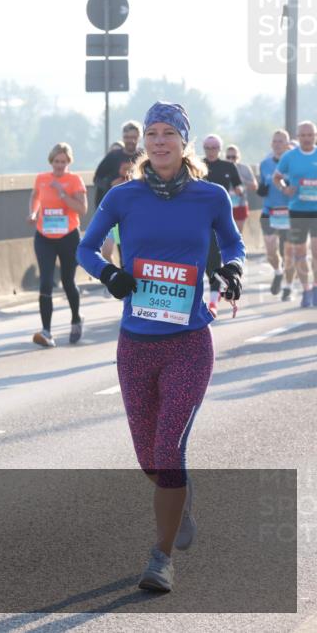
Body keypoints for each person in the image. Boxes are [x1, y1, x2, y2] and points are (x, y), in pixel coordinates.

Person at [78, 102, 245, 594]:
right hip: (137, 346)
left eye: (168, 133)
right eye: (151, 133)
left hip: (190, 342)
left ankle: (161, 557)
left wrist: (232, 272)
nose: (158, 141)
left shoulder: (210, 195)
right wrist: (111, 274)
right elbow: (86, 248)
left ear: (184, 141)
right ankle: (182, 496)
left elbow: (234, 245)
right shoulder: (123, 196)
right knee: (151, 461)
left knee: (169, 450)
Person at [28, 142, 88, 347]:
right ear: (51, 161)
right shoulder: (42, 179)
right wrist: (33, 213)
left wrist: (63, 193)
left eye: (63, 162)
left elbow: (82, 209)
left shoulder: (74, 180)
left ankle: (76, 319)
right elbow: (35, 196)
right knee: (45, 281)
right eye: (56, 162)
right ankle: (46, 331)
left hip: (68, 236)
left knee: (67, 281)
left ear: (68, 162)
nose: (59, 166)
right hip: (44, 236)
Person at [274, 120, 317, 307]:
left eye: (310, 135)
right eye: (303, 135)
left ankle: (315, 288)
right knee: (300, 252)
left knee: (316, 251)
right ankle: (306, 290)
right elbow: (277, 178)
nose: (307, 139)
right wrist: (284, 188)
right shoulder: (290, 157)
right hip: (297, 210)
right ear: (298, 137)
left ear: (315, 136)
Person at [201, 134, 244, 316]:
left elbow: (238, 186)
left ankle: (212, 302)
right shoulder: (197, 165)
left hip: (219, 219)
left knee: (214, 261)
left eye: (214, 148)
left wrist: (238, 192)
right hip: (199, 218)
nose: (211, 151)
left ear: (220, 149)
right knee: (198, 260)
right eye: (208, 148)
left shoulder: (228, 166)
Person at [94, 121, 143, 265]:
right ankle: (116, 277)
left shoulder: (144, 157)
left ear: (139, 137)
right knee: (106, 251)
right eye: (127, 137)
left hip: (135, 212)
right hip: (114, 212)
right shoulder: (113, 156)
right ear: (123, 137)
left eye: (133, 137)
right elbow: (97, 178)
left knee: (128, 253)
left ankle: (128, 281)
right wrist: (110, 183)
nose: (130, 140)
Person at [256, 129, 295, 301]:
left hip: (290, 213)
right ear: (272, 144)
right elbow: (261, 188)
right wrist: (262, 188)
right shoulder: (265, 164)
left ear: (287, 145)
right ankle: (278, 273)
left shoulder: (295, 163)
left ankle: (288, 286)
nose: (278, 144)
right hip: (269, 212)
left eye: (281, 141)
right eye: (275, 141)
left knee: (289, 252)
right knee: (271, 251)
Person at [224, 144, 256, 232]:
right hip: (225, 205)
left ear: (238, 157)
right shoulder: (222, 168)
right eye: (228, 157)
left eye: (233, 157)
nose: (231, 159)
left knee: (238, 233)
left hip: (240, 205)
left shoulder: (245, 168)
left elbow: (254, 186)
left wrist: (242, 180)